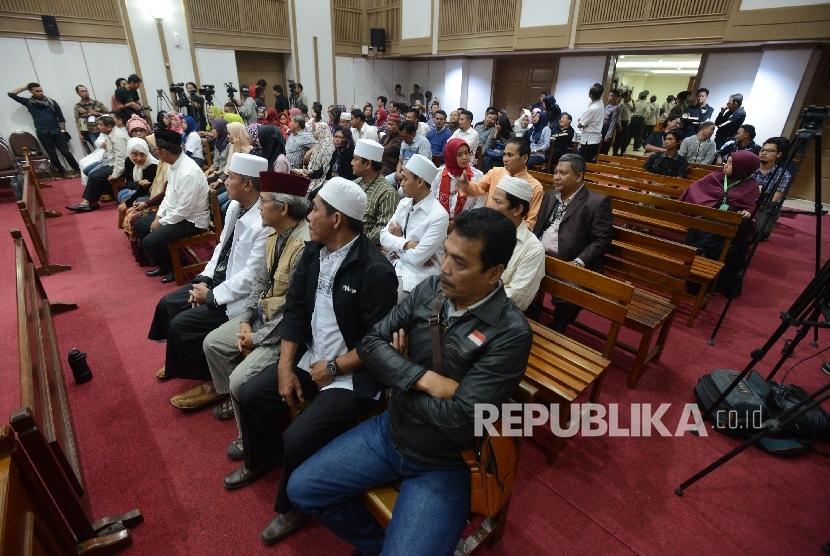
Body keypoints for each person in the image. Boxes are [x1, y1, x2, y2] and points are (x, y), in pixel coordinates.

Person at [287, 208, 533, 556]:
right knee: (302, 489)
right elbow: (371, 343)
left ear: (494, 273)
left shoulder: (509, 333)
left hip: (444, 464)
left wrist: (397, 375)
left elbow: (462, 421)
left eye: (459, 262)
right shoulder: (432, 289)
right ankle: (378, 544)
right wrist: (423, 378)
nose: (444, 266)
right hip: (391, 432)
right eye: (445, 252)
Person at [230, 177, 398, 546]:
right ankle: (263, 459)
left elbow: (377, 341)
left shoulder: (374, 270)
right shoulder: (312, 253)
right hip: (312, 359)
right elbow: (296, 312)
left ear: (336, 219)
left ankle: (290, 506)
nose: (308, 216)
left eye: (316, 209)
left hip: (353, 374)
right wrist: (285, 366)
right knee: (253, 393)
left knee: (298, 437)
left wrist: (335, 367)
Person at [149, 152, 270, 411]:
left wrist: (211, 295)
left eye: (231, 178)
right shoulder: (236, 207)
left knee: (182, 325)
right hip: (218, 280)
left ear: (248, 185)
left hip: (237, 295)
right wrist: (203, 279)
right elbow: (220, 248)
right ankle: (178, 361)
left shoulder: (264, 221)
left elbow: (250, 277)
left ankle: (214, 383)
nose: (224, 181)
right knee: (168, 304)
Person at [203, 171, 311, 454]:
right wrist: (246, 322)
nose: (259, 207)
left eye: (263, 202)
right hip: (262, 320)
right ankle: (241, 413)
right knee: (213, 343)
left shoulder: (304, 246)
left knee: (240, 381)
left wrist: (257, 337)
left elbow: (293, 311)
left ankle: (253, 444)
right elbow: (259, 285)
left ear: (283, 208)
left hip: (282, 331)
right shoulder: (273, 235)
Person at [530, 153, 613, 331]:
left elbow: (602, 240)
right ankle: (530, 314)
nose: (556, 177)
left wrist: (578, 262)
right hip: (541, 256)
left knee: (571, 296)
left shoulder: (597, 202)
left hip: (571, 262)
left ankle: (556, 327)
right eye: (555, 172)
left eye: (563, 173)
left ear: (579, 176)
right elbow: (539, 227)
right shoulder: (550, 195)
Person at [134, 129, 211, 282]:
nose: (154, 153)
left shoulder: (188, 172)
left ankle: (175, 269)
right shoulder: (173, 165)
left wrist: (161, 222)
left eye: (155, 150)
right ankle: (165, 264)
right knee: (141, 225)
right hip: (179, 214)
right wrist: (158, 216)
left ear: (164, 152)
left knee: (151, 241)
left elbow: (185, 210)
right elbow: (169, 196)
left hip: (193, 221)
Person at [381, 155, 446, 303]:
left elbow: (418, 259)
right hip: (395, 264)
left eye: (405, 179)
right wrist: (408, 244)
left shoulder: (439, 215)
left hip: (418, 275)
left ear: (420, 182)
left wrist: (396, 247)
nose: (401, 183)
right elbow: (383, 236)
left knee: (388, 300)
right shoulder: (404, 203)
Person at [483, 176, 545, 311]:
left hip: (498, 313)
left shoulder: (532, 249)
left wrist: (475, 301)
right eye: (492, 199)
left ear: (517, 209)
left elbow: (517, 298)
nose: (491, 207)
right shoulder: (484, 231)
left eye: (498, 202)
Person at [456, 137, 543, 229]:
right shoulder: (495, 172)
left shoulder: (535, 187)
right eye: (504, 155)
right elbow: (478, 189)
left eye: (510, 155)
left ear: (524, 158)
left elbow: (530, 223)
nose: (505, 159)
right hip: (486, 226)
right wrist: (467, 186)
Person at [8, 82, 81, 178]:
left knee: (66, 152)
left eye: (41, 90)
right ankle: (62, 172)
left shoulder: (52, 102)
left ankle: (77, 170)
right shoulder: (29, 102)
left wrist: (62, 131)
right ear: (32, 92)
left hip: (56, 130)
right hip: (42, 132)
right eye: (37, 91)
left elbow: (61, 118)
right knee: (52, 154)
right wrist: (25, 87)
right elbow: (11, 94)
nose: (40, 93)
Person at [65, 116, 127, 212]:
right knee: (93, 173)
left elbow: (121, 158)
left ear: (109, 127)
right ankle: (92, 203)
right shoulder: (112, 134)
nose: (99, 127)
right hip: (113, 163)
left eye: (101, 125)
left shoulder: (117, 136)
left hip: (122, 166)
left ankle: (86, 203)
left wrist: (115, 174)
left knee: (95, 175)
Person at [350, 139, 400, 247]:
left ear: (368, 163)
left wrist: (354, 246)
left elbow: (381, 230)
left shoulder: (387, 193)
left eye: (355, 159)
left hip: (365, 251)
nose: (352, 163)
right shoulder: (355, 183)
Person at [432, 138, 486, 223]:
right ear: (451, 156)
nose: (465, 157)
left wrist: (461, 221)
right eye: (459, 154)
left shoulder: (478, 177)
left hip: (466, 224)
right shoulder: (439, 174)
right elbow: (432, 199)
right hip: (438, 221)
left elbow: (479, 206)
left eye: (467, 153)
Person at [753, 137, 792, 241]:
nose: (763, 153)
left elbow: (774, 199)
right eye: (762, 150)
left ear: (778, 154)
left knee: (760, 232)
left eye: (769, 151)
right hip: (744, 202)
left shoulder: (784, 175)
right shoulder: (750, 168)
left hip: (765, 206)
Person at [117, 138, 158, 209]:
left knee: (125, 196)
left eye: (142, 154)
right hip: (138, 188)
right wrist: (138, 183)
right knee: (121, 193)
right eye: (134, 154)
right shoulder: (129, 161)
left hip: (149, 192)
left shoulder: (152, 165)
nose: (138, 158)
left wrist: (127, 203)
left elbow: (145, 190)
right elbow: (128, 183)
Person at [391, 121, 431, 190]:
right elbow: (400, 161)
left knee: (401, 192)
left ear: (412, 134)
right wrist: (398, 173)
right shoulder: (404, 142)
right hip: (402, 173)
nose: (403, 139)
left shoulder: (423, 142)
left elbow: (422, 165)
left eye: (405, 137)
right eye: (401, 136)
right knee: (384, 183)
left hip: (415, 175)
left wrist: (404, 175)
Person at [296, 121, 334, 192]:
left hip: (318, 177)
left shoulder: (327, 147)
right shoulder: (319, 143)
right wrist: (307, 169)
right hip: (312, 173)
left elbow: (323, 169)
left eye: (315, 131)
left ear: (321, 131)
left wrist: (309, 174)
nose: (313, 133)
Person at [577, 83, 604, 163]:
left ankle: (585, 175)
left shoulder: (593, 108)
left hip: (588, 140)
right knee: (588, 160)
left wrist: (581, 120)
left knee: (585, 162)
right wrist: (583, 119)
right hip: (594, 138)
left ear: (590, 95)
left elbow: (580, 125)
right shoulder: (600, 103)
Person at [74, 85, 108, 149]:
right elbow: (77, 120)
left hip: (102, 130)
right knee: (97, 149)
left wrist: (96, 113)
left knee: (107, 147)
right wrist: (80, 134)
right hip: (90, 131)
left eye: (86, 91)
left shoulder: (97, 103)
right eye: (82, 91)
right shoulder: (77, 106)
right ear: (78, 93)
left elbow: (108, 114)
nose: (85, 93)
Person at [597, 89, 620, 156]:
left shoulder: (616, 108)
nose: (609, 97)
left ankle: (604, 162)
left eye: (611, 96)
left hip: (607, 129)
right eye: (609, 96)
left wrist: (608, 135)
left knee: (605, 147)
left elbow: (613, 123)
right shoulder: (608, 105)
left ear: (616, 98)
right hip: (602, 127)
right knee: (600, 147)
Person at [613, 90, 633, 156]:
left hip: (627, 123)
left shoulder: (629, 104)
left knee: (625, 139)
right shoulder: (621, 104)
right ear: (624, 97)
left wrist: (634, 104)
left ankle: (623, 152)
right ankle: (615, 152)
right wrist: (619, 125)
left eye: (629, 96)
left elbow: (633, 111)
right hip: (622, 123)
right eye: (627, 96)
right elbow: (619, 115)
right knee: (619, 139)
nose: (628, 97)